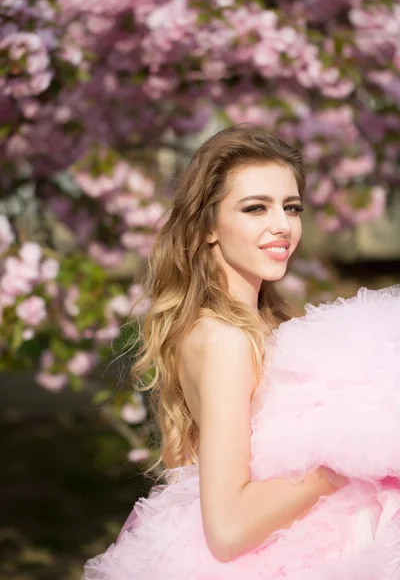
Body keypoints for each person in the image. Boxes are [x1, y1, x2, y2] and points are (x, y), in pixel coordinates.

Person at [83, 125, 400, 579]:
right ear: (209, 227)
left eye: (291, 207)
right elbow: (228, 527)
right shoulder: (226, 340)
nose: (282, 225)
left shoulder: (261, 325)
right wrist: (348, 463)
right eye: (256, 208)